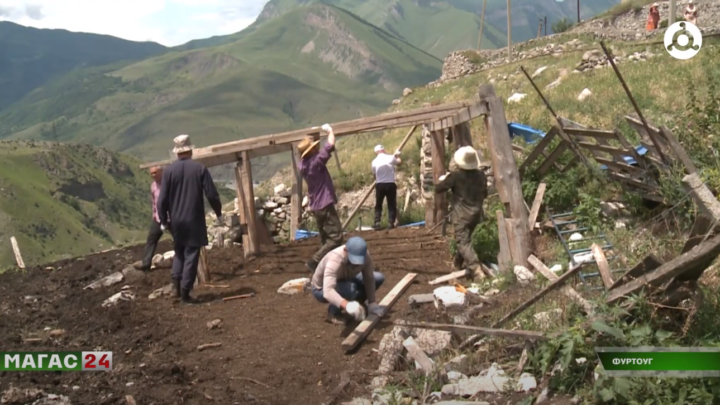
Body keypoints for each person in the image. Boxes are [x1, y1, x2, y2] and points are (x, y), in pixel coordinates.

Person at [157, 135, 223, 303]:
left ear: (176, 152)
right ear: (191, 150)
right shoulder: (199, 169)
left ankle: (175, 287)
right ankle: (186, 292)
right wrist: (218, 213)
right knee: (192, 254)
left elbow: (162, 199)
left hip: (176, 221)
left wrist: (164, 221)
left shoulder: (169, 171)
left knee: (179, 252)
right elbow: (212, 195)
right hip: (194, 220)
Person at [435, 146, 492, 279]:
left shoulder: (455, 176)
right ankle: (457, 263)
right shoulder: (481, 175)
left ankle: (475, 269)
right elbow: (485, 194)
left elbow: (439, 189)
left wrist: (442, 179)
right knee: (466, 239)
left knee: (462, 242)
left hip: (462, 215)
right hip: (477, 213)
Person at [298, 124, 343, 272]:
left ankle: (325, 267)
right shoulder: (316, 162)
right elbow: (330, 145)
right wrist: (330, 130)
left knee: (325, 238)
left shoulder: (302, 165)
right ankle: (315, 260)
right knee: (336, 237)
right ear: (312, 151)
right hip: (325, 203)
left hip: (316, 205)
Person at [311, 236, 385, 325]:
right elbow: (328, 291)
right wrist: (347, 305)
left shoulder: (365, 255)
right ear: (346, 251)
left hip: (347, 278)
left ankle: (357, 302)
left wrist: (372, 303)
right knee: (350, 289)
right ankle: (334, 313)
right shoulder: (334, 260)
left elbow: (369, 277)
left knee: (378, 278)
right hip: (321, 288)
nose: (355, 263)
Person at [133, 166, 168, 271]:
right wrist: (154, 214)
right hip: (158, 218)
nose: (153, 175)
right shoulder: (153, 186)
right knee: (151, 239)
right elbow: (154, 202)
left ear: (162, 171)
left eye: (155, 172)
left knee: (179, 239)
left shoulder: (169, 184)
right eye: (151, 173)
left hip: (171, 217)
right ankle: (146, 263)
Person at [371, 144, 402, 230]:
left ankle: (377, 222)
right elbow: (399, 163)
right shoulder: (390, 158)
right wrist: (398, 156)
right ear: (383, 150)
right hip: (390, 183)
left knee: (378, 204)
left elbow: (374, 174)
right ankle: (390, 223)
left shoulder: (374, 162)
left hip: (380, 184)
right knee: (391, 204)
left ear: (376, 153)